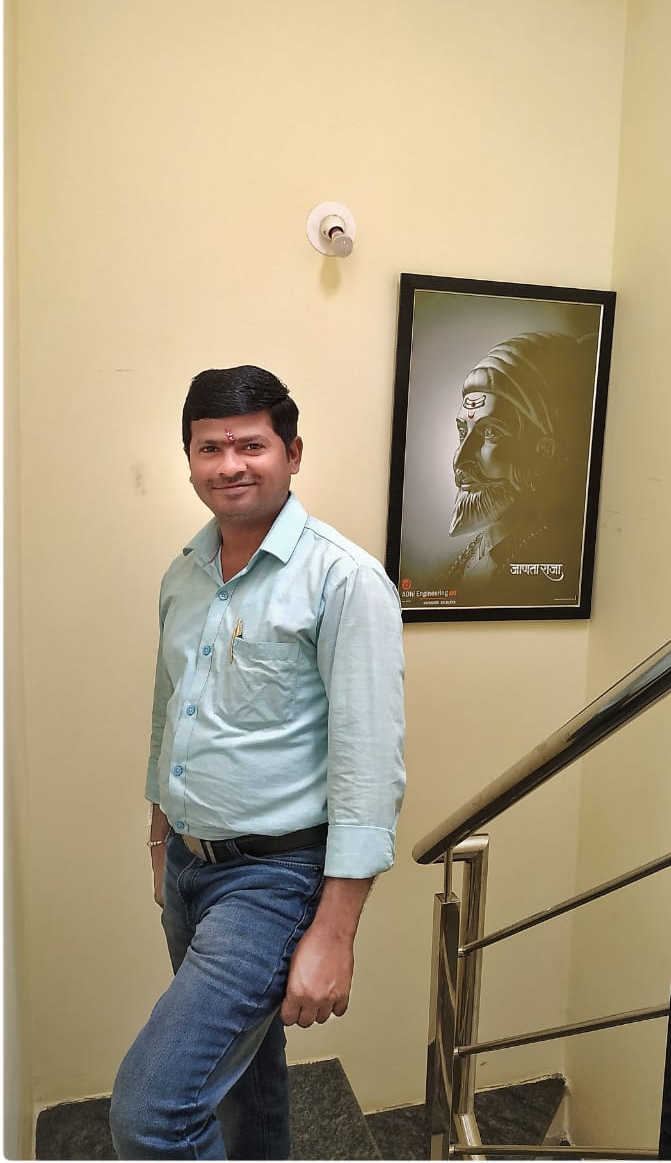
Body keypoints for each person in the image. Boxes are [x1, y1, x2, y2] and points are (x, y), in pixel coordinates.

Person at [109, 365, 406, 1160]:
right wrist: (160, 838)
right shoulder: (184, 575)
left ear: (292, 453)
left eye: (251, 445)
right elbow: (169, 714)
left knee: (153, 1111)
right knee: (242, 1083)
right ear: (189, 460)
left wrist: (335, 933)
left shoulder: (344, 580)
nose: (229, 464)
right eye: (210, 448)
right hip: (188, 866)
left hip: (273, 880)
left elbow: (369, 766)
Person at [446, 331, 597, 605]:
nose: (460, 459)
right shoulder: (470, 555)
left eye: (490, 432)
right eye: (462, 432)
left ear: (544, 450)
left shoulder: (557, 556)